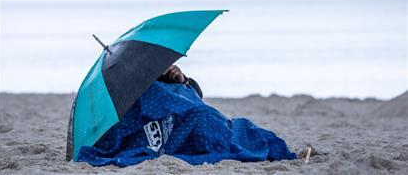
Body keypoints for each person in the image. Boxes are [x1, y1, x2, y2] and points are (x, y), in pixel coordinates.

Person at [77, 65, 296, 167]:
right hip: (174, 131)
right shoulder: (127, 92)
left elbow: (195, 98)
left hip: (202, 118)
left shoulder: (170, 76)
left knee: (220, 122)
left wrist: (182, 80)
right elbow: (129, 126)